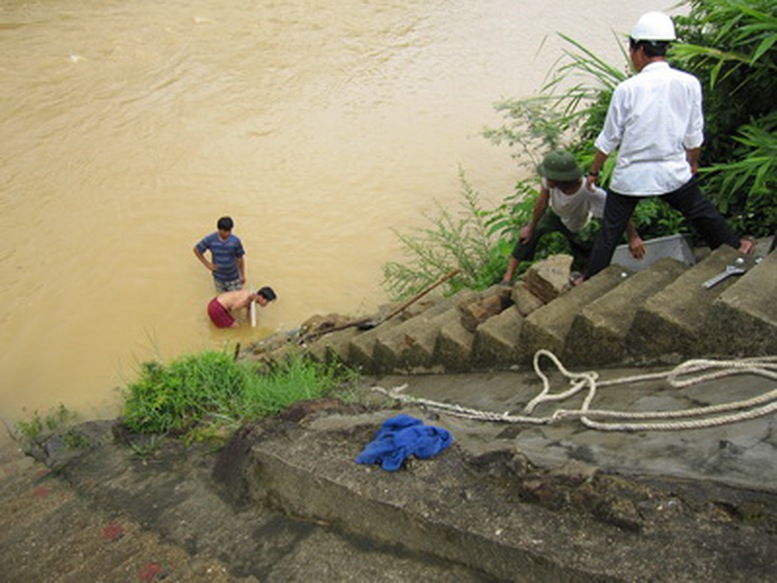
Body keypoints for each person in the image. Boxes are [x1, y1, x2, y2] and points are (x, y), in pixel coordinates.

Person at [583, 12, 754, 281]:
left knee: (610, 231)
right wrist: (693, 162)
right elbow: (694, 135)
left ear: (639, 49)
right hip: (671, 172)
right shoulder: (689, 83)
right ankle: (735, 251)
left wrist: (593, 172)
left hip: (631, 176)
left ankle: (589, 280)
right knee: (702, 212)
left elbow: (609, 139)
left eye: (631, 50)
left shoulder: (627, 89)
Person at [501, 150, 645, 285]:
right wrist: (530, 227)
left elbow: (617, 212)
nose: (545, 178)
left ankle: (583, 276)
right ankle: (507, 278)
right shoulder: (549, 182)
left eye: (549, 176)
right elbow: (541, 203)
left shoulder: (589, 191)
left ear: (559, 179)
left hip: (580, 224)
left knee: (590, 253)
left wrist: (633, 237)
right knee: (527, 236)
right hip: (556, 215)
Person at [194, 216, 246, 293]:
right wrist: (207, 264)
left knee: (236, 300)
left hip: (234, 277)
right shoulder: (210, 239)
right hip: (219, 278)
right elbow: (197, 250)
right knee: (222, 301)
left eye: (229, 231)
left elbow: (240, 258)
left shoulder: (235, 241)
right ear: (219, 230)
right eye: (225, 231)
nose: (227, 233)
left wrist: (242, 275)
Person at [207, 286, 277, 329]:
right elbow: (234, 308)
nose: (266, 304)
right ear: (261, 297)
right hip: (216, 309)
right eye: (267, 301)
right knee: (237, 327)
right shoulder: (248, 298)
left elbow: (247, 310)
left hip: (214, 303)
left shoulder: (251, 294)